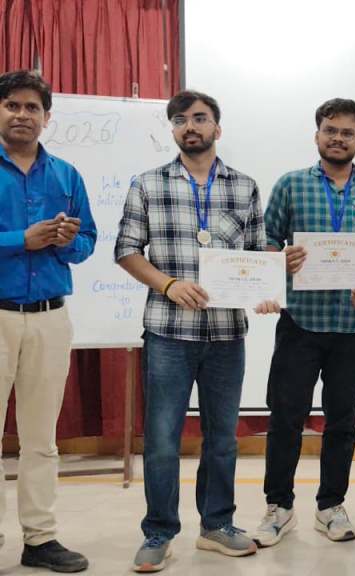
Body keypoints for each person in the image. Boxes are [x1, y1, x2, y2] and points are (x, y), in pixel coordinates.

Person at [116, 90, 280, 573]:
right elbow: (126, 250)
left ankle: (216, 525)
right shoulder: (148, 184)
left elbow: (258, 254)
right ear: (173, 129)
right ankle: (159, 532)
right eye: (180, 119)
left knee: (222, 438)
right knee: (162, 440)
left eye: (200, 118)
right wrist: (168, 285)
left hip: (226, 334)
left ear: (217, 128)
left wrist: (266, 290)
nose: (191, 126)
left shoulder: (244, 187)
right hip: (168, 333)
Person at [254, 98, 355, 547]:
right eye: (330, 130)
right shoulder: (291, 185)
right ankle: (279, 507)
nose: (338, 138)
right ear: (317, 134)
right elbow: (265, 240)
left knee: (342, 421)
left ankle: (331, 506)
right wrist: (280, 258)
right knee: (285, 418)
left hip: (354, 326)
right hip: (300, 322)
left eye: (347, 132)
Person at [0, 69, 95, 573]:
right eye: (12, 105)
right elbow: (22, 240)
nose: (22, 114)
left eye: (32, 107)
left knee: (41, 438)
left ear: (46, 117)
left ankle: (39, 539)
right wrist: (21, 240)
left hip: (51, 318)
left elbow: (88, 242)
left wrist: (66, 242)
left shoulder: (66, 175)